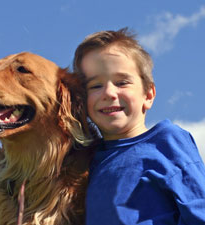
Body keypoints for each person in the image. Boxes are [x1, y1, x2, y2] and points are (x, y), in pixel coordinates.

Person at [73, 28, 205, 225]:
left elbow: (199, 210)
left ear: (148, 95)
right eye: (95, 86)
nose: (109, 92)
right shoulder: (84, 160)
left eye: (122, 82)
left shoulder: (166, 141)